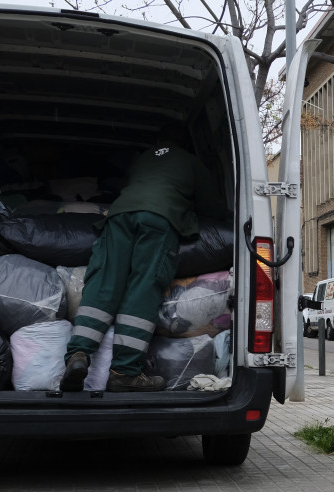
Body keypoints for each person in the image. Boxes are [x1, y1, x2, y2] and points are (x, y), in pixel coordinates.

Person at [60, 124, 223, 392]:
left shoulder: (142, 159)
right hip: (159, 218)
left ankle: (78, 355)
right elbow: (211, 206)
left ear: (159, 139)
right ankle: (124, 372)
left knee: (104, 282)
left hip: (119, 215)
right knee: (142, 288)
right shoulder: (191, 161)